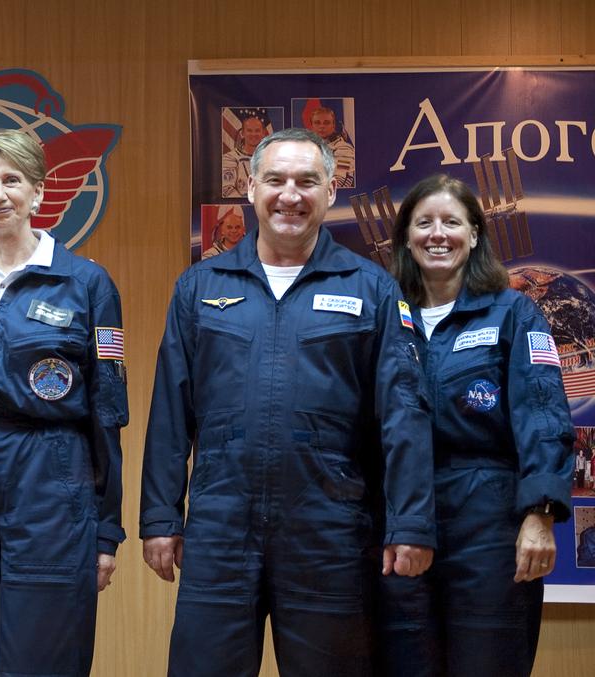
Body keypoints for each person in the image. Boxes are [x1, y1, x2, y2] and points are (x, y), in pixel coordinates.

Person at [140, 127, 436, 676]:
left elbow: (404, 416)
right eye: (275, 180)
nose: (290, 195)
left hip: (329, 528)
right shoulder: (201, 286)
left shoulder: (371, 289)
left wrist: (411, 523)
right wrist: (160, 516)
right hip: (220, 527)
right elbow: (169, 413)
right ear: (250, 188)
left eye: (307, 181)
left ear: (331, 192)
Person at [0, 128, 128, 676]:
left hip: (49, 472)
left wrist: (107, 527)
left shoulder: (86, 283)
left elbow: (107, 410)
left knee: (42, 652)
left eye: (12, 180)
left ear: (38, 192)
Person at [378, 174, 574, 677]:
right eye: (423, 223)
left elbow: (543, 413)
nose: (437, 234)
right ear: (404, 237)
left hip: (490, 521)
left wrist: (541, 514)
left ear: (475, 235)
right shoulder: (382, 316)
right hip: (398, 519)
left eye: (452, 222)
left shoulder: (514, 312)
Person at [221, 112, 268, 198]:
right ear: (242, 133)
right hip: (241, 208)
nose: (253, 134)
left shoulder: (270, 158)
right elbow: (227, 189)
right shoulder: (230, 158)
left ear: (263, 134)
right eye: (249, 130)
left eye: (257, 130)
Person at [309, 106, 356, 188]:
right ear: (312, 125)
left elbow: (341, 182)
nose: (322, 126)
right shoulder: (307, 147)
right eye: (317, 122)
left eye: (326, 123)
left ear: (333, 125)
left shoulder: (343, 148)